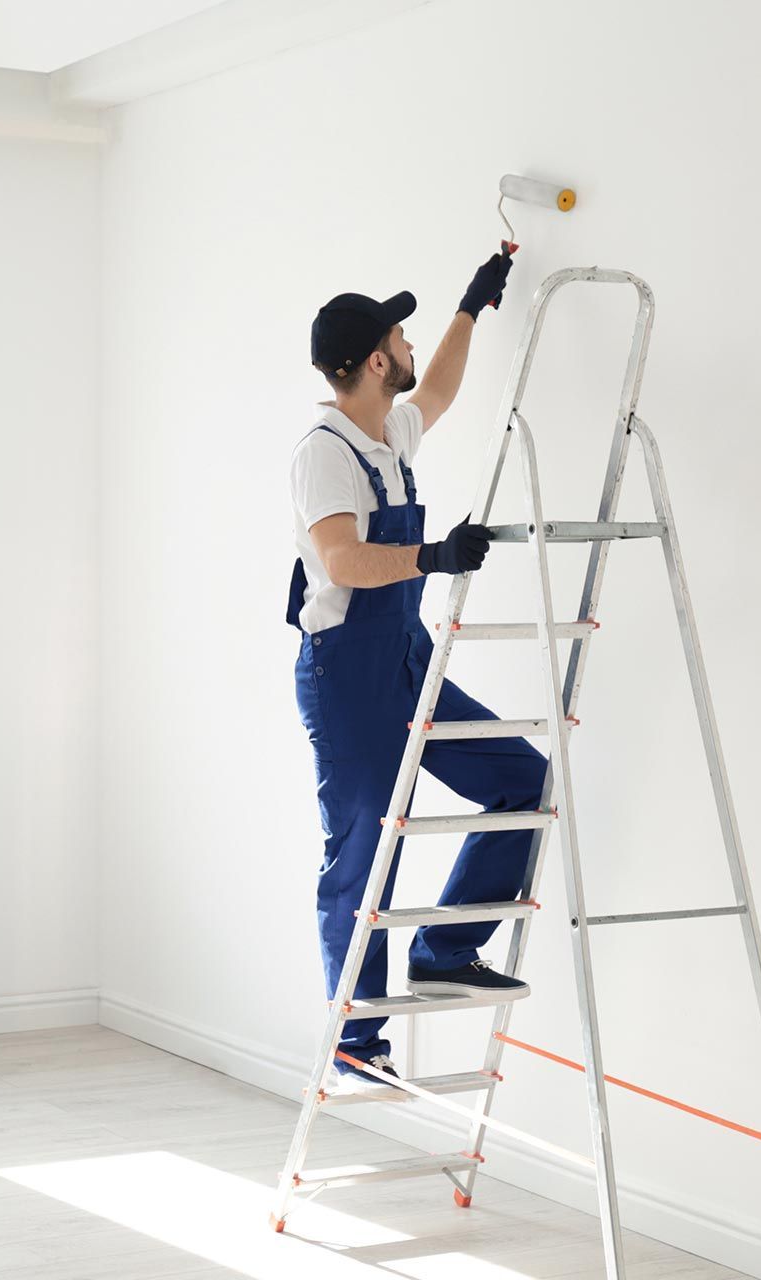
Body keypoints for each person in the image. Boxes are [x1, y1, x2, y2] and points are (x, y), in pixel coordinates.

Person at [287, 251, 550, 1091]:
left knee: (524, 781)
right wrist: (431, 556)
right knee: (363, 849)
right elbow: (341, 560)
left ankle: (446, 950)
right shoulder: (325, 453)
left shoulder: (387, 431)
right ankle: (354, 1034)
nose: (409, 345)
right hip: (347, 677)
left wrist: (476, 305)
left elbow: (436, 389)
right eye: (399, 335)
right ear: (372, 361)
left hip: (403, 656)